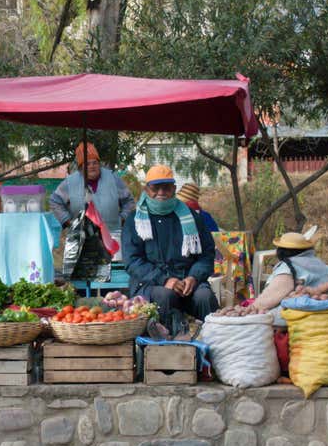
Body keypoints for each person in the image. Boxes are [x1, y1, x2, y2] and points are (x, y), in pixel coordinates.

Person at [122, 165, 219, 333]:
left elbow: (207, 255)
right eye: (155, 187)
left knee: (205, 297)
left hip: (187, 282)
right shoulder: (135, 220)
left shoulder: (191, 216)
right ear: (147, 189)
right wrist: (165, 280)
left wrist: (193, 278)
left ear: (174, 188)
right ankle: (164, 348)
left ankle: (211, 344)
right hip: (150, 284)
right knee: (165, 296)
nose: (161, 192)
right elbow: (133, 261)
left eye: (166, 187)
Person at [246, 231, 328, 326]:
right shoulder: (320, 263)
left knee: (261, 316)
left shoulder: (288, 267)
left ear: (282, 251)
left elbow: (268, 299)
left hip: (302, 316)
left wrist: (251, 308)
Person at [49, 142, 136, 235]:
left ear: (99, 164)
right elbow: (55, 201)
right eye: (87, 164)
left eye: (95, 163)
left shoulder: (112, 178)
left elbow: (129, 202)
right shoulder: (70, 182)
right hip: (79, 236)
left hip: (112, 234)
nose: (92, 166)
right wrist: (67, 221)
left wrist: (122, 219)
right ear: (80, 168)